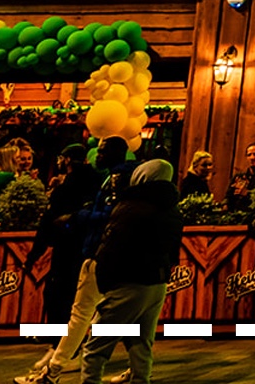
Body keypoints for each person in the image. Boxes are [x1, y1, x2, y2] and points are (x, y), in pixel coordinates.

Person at [15, 137, 138, 384]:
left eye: (101, 151)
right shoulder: (108, 180)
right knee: (128, 316)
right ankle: (138, 370)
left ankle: (57, 364)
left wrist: (74, 219)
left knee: (75, 309)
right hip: (110, 254)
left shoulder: (111, 181)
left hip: (89, 252)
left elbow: (102, 214)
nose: (97, 155)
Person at [77, 160, 183, 384]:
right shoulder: (171, 208)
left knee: (96, 345)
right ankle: (140, 379)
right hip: (156, 283)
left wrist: (104, 280)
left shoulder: (131, 207)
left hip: (128, 282)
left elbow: (112, 246)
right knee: (140, 340)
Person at [31, 144, 97, 326]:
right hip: (89, 246)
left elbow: (48, 221)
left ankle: (57, 336)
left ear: (67, 160)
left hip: (66, 246)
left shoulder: (66, 188)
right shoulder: (97, 182)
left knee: (58, 294)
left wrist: (35, 253)